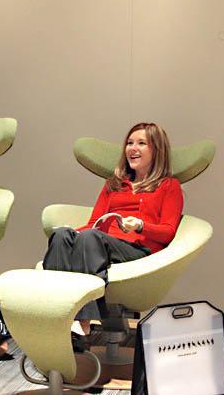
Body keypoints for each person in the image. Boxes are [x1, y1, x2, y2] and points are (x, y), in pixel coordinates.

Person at [42, 122, 183, 352]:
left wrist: (140, 226)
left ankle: (82, 323)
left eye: (141, 143)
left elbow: (168, 231)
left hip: (137, 249)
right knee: (61, 236)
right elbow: (93, 223)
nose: (132, 148)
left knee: (90, 237)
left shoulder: (169, 186)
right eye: (129, 143)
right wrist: (72, 232)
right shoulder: (114, 184)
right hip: (101, 243)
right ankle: (54, 316)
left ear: (157, 150)